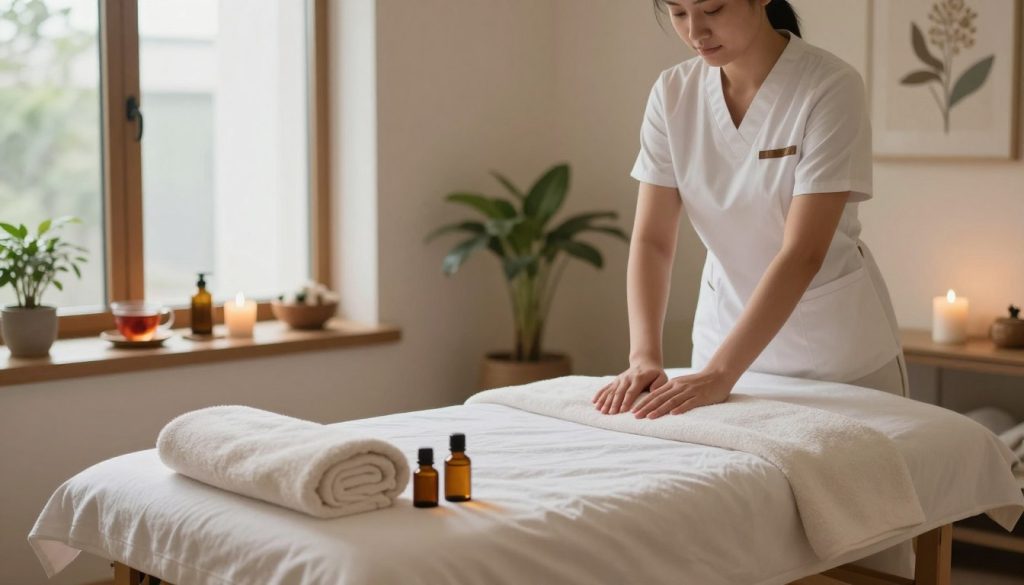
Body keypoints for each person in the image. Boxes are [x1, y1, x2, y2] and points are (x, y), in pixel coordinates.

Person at [592, 2, 914, 577]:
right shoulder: (673, 94)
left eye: (712, 8)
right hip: (723, 335)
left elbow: (803, 252)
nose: (695, 31)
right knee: (734, 530)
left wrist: (721, 375)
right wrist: (645, 355)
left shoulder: (828, 85)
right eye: (679, 12)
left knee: (863, 553)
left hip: (832, 356)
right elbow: (653, 241)